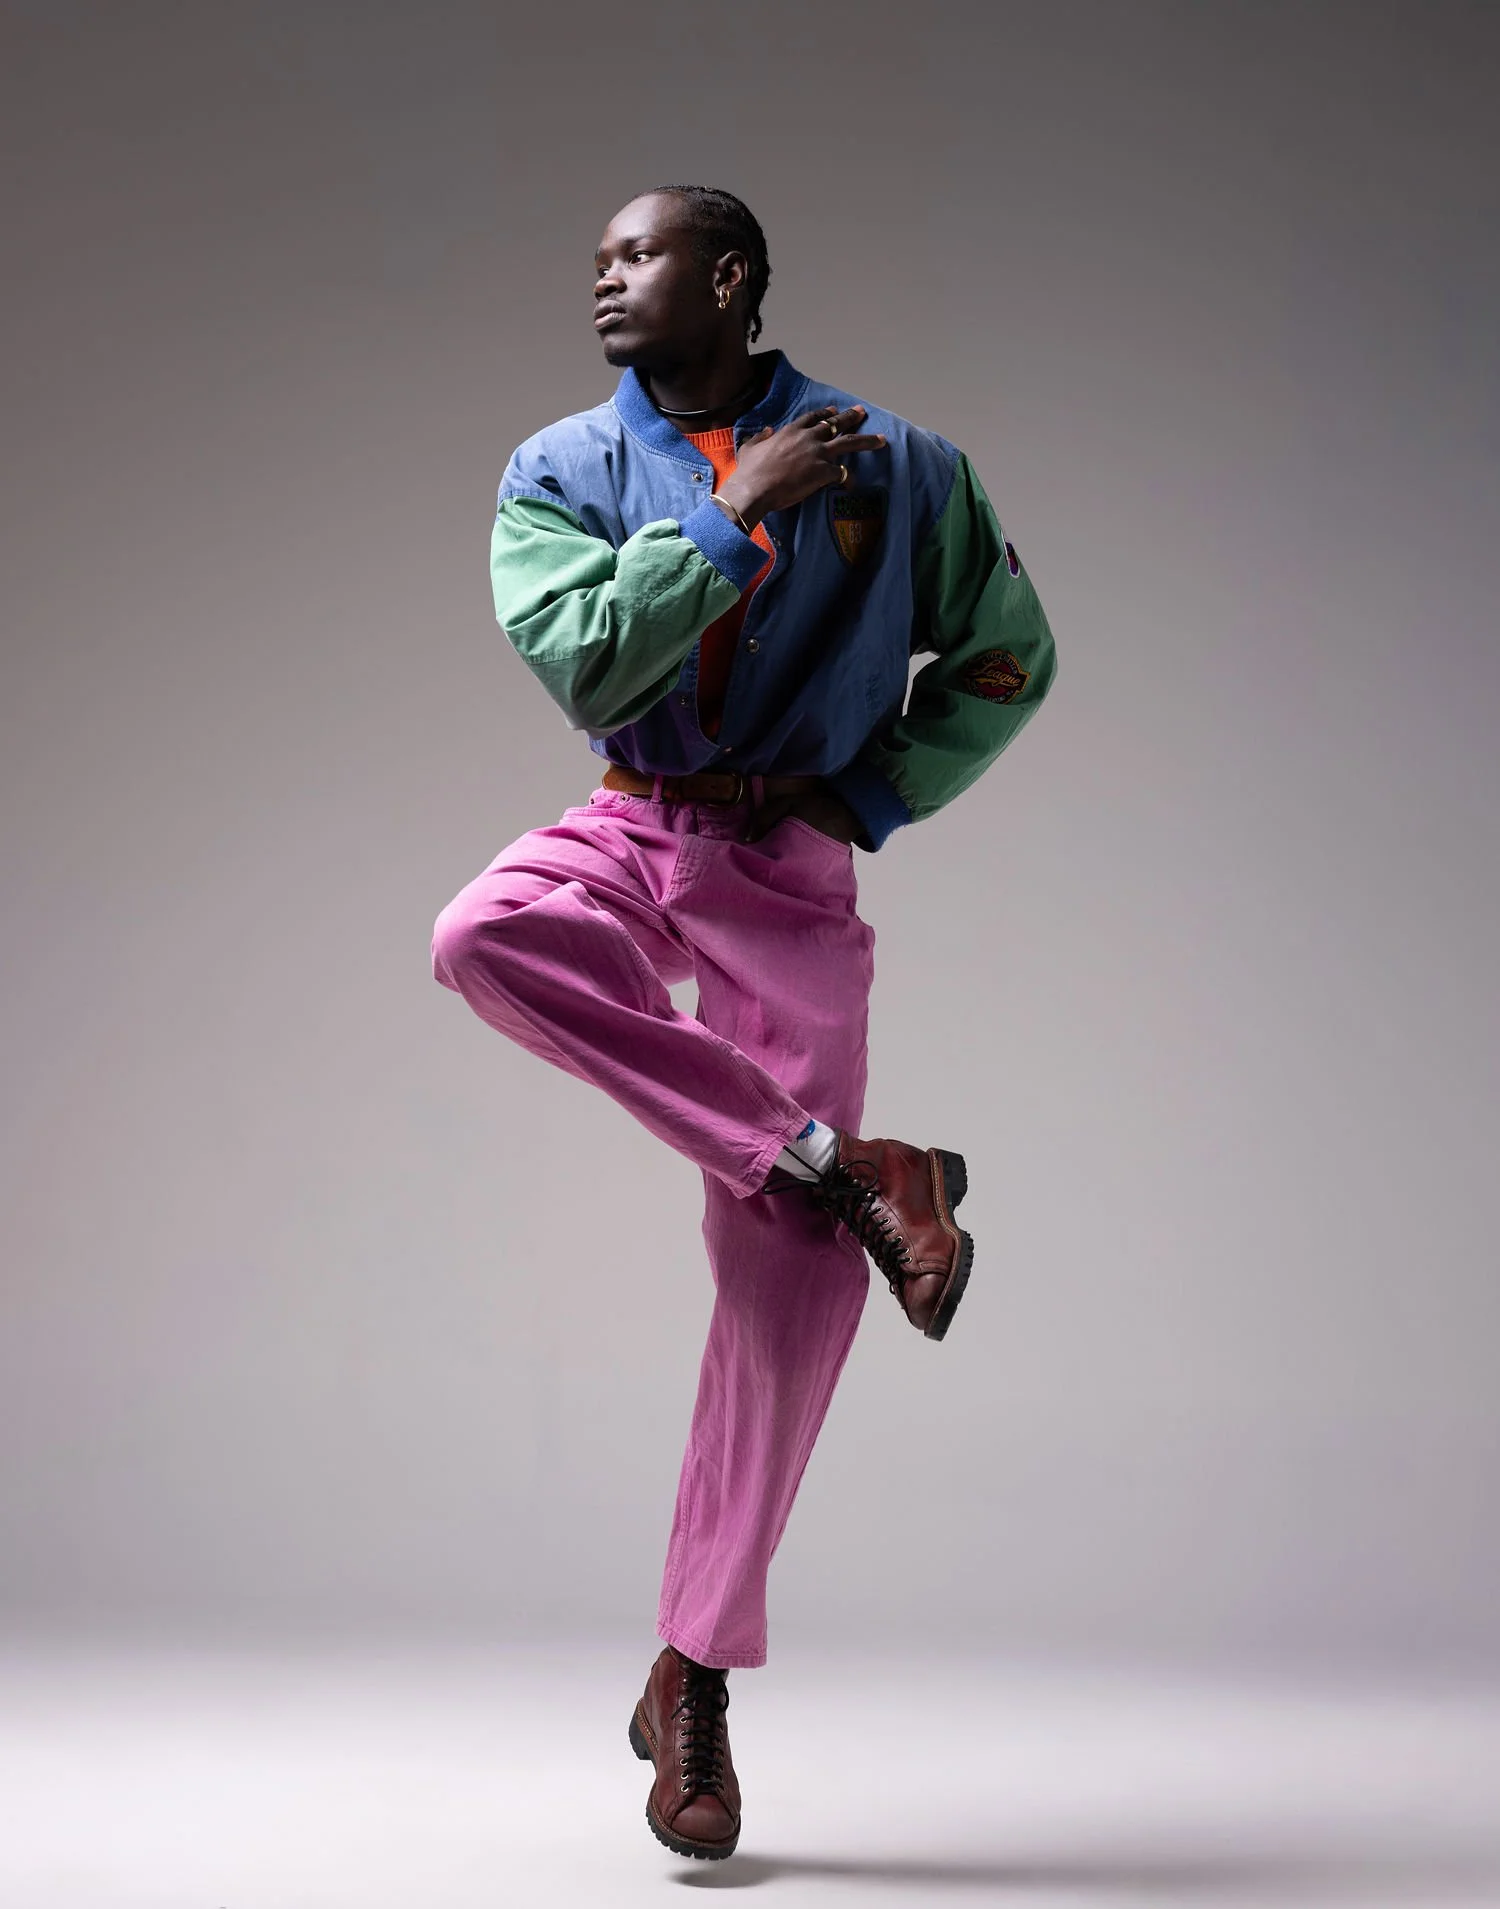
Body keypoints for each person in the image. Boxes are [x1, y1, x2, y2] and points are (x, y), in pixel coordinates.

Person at [431, 182, 1057, 1862]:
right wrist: (730, 515)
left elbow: (1008, 654)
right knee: (486, 936)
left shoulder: (905, 464)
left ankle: (693, 1672)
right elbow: (587, 664)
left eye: (636, 255)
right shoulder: (558, 468)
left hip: (791, 863)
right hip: (633, 824)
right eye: (596, 259)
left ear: (729, 276)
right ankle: (847, 1164)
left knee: (785, 1291)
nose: (604, 279)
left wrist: (872, 794)